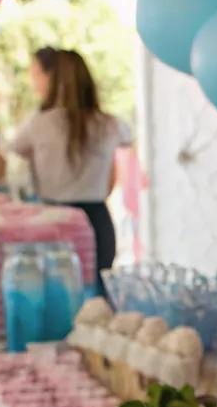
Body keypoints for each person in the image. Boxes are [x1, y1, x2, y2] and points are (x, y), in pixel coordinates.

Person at [11, 49, 131, 285]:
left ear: (53, 80)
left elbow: (14, 153)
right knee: (97, 301)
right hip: (97, 220)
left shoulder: (39, 123)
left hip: (52, 220)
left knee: (56, 301)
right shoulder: (110, 124)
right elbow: (122, 154)